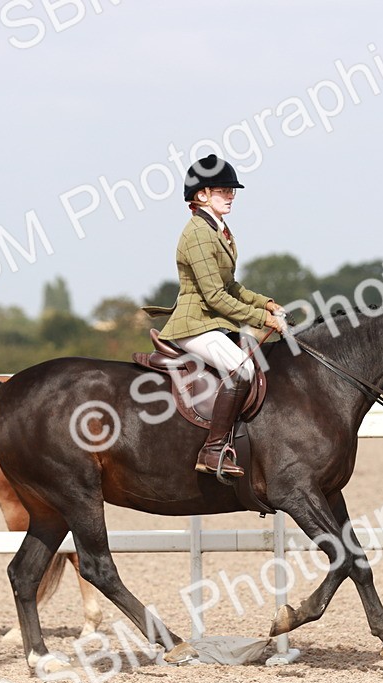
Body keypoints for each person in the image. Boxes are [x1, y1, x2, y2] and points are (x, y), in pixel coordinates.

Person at [157, 155, 286, 478]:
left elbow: (230, 285)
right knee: (241, 370)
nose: (230, 195)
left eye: (232, 190)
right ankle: (212, 450)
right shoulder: (198, 234)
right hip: (194, 323)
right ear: (201, 194)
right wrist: (261, 319)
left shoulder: (219, 229)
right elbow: (214, 296)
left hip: (211, 322)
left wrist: (266, 303)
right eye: (223, 190)